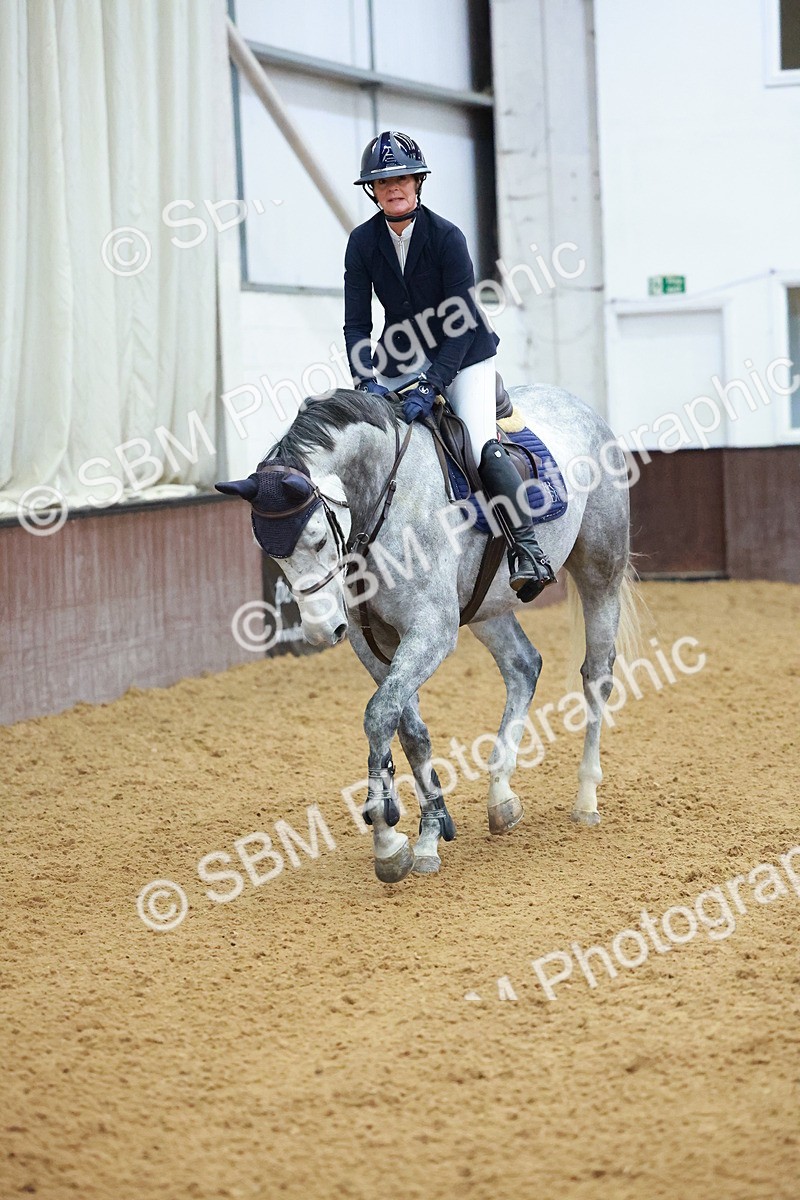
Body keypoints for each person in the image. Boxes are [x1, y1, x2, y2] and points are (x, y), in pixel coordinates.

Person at [343, 130, 555, 600]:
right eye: (382, 182)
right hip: (400, 354)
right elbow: (356, 323)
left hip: (464, 356)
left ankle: (527, 549)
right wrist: (365, 381)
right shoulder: (361, 243)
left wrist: (431, 384)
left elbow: (459, 324)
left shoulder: (447, 237)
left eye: (401, 178)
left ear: (418, 182)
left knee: (481, 445)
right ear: (372, 191)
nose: (393, 188)